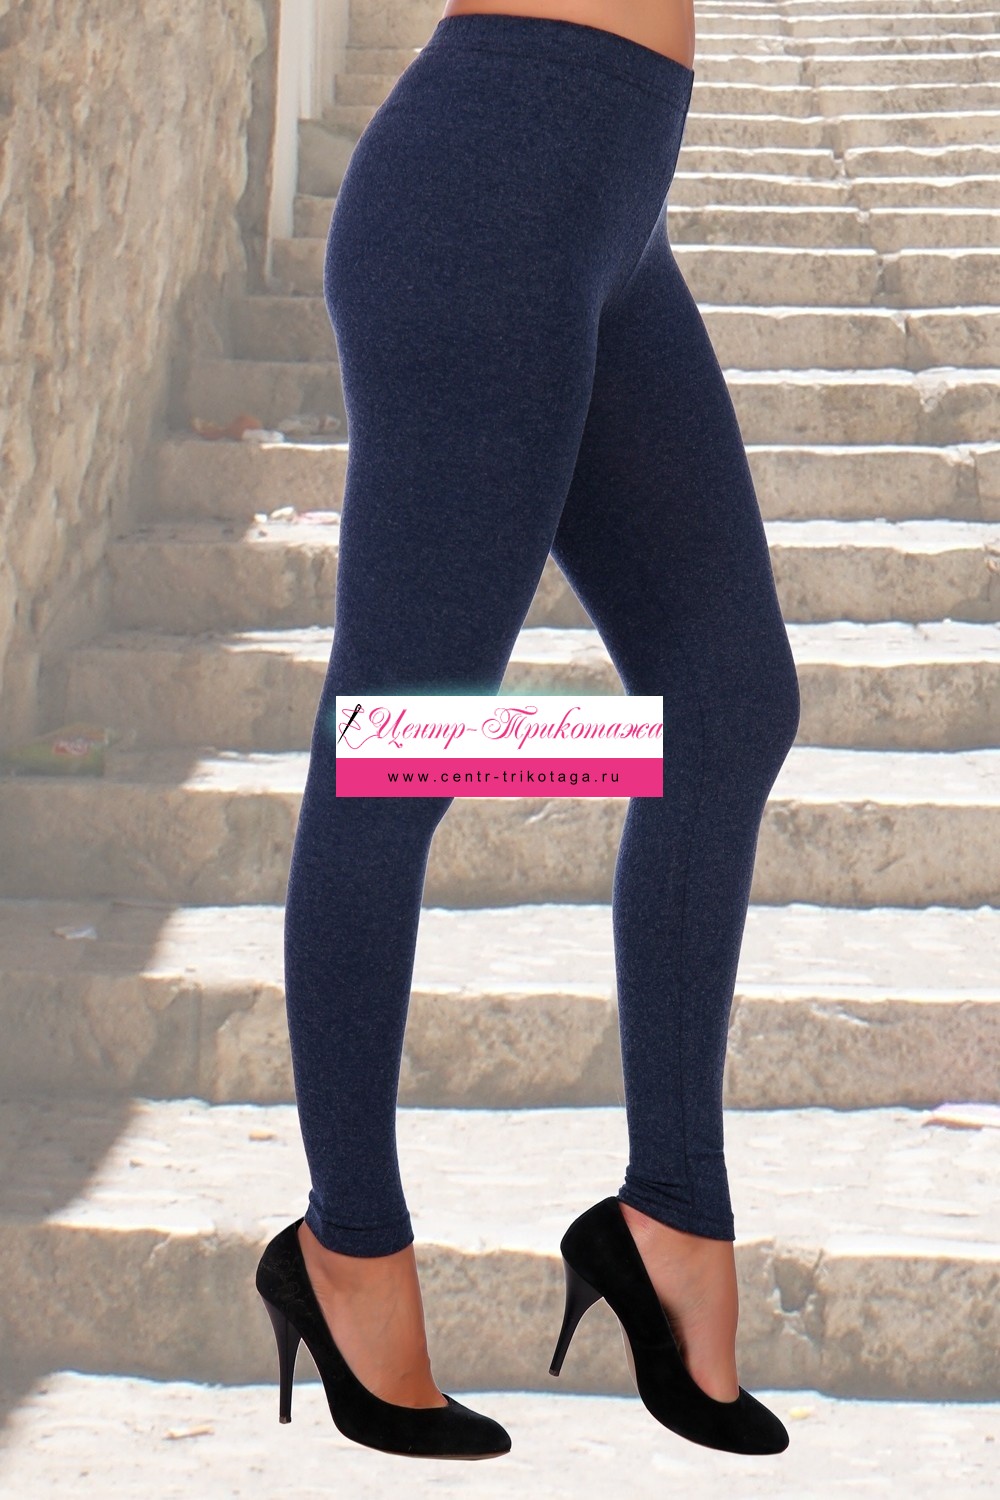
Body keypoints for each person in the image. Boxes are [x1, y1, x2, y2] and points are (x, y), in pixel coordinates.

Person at [256, 0, 799, 1459]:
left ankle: (669, 1213)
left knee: (729, 702)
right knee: (395, 746)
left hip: (607, 205)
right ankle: (345, 1247)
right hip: (488, 190)